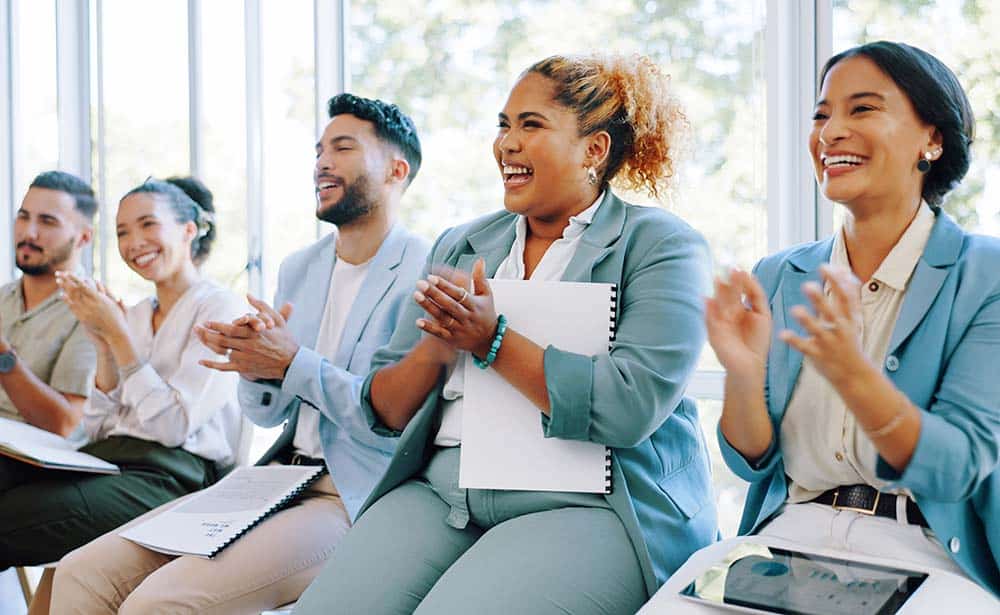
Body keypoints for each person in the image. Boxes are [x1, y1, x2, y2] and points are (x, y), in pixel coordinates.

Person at [294, 54, 716, 615]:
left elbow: (629, 407)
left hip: (590, 504)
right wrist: (440, 345)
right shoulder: (461, 245)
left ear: (594, 150)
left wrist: (492, 340)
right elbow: (387, 412)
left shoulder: (662, 246)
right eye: (504, 124)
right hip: (445, 492)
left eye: (531, 125)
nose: (506, 144)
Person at [50, 94, 430, 614]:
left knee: (159, 602)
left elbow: (385, 419)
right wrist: (254, 364)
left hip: (352, 492)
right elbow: (267, 412)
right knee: (81, 573)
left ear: (396, 169)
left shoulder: (423, 269)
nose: (321, 162)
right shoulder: (302, 266)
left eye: (342, 148)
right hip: (276, 477)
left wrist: (291, 361)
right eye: (319, 149)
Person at [653, 41, 1000, 610]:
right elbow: (750, 460)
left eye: (862, 109)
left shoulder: (985, 275)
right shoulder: (779, 274)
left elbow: (955, 467)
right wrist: (742, 373)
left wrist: (851, 372)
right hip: (787, 541)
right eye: (821, 114)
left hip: (928, 552)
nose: (830, 131)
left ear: (931, 140)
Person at [0, 176, 244, 578]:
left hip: (174, 476)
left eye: (148, 225)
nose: (134, 243)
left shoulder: (220, 307)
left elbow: (172, 428)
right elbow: (96, 428)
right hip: (108, 460)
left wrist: (117, 336)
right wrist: (103, 346)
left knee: (9, 518)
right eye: (122, 232)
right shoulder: (135, 314)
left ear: (187, 231)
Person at [0, 171, 97, 436]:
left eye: (47, 222)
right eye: (23, 216)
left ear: (84, 238)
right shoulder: (3, 298)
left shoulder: (92, 313)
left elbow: (65, 424)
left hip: (29, 460)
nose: (28, 232)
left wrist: (2, 355)